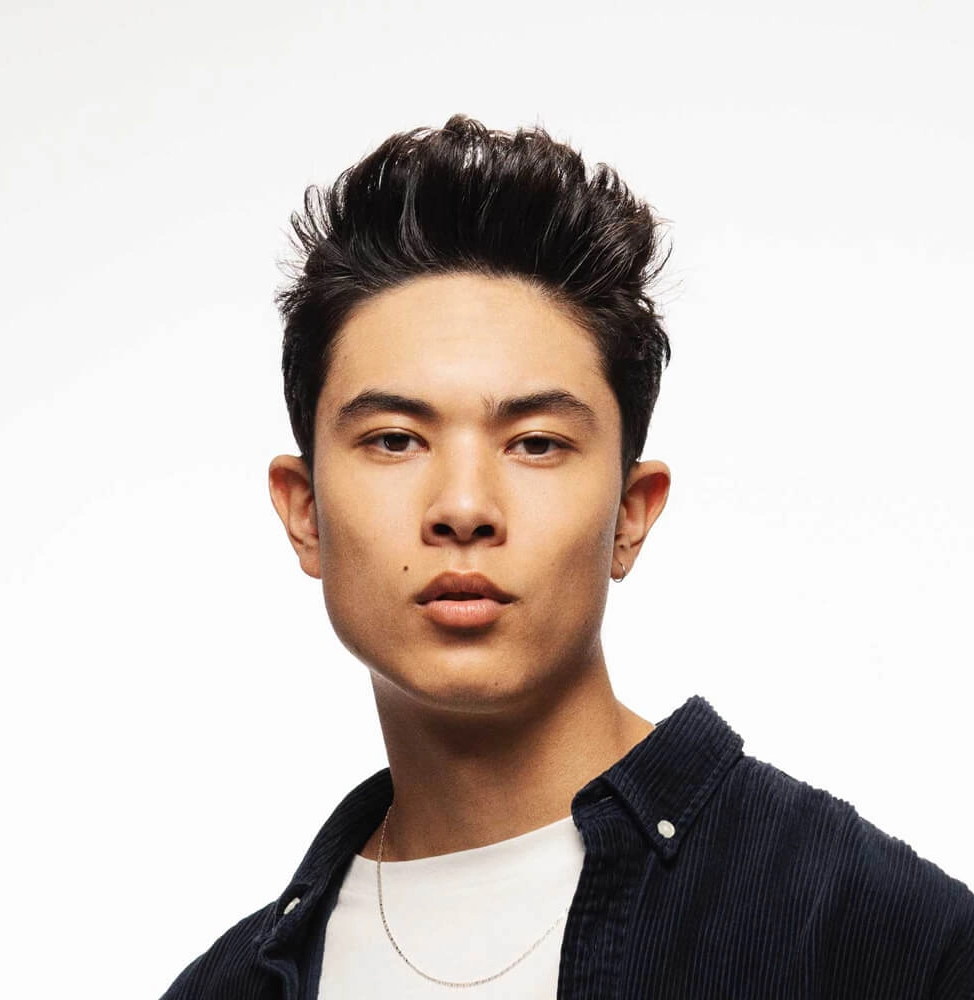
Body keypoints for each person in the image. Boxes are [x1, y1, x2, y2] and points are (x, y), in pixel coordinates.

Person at [160, 115, 974, 999]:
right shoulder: (229, 986)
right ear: (304, 511)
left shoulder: (880, 936)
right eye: (395, 440)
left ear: (630, 514)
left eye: (536, 444)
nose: (463, 508)